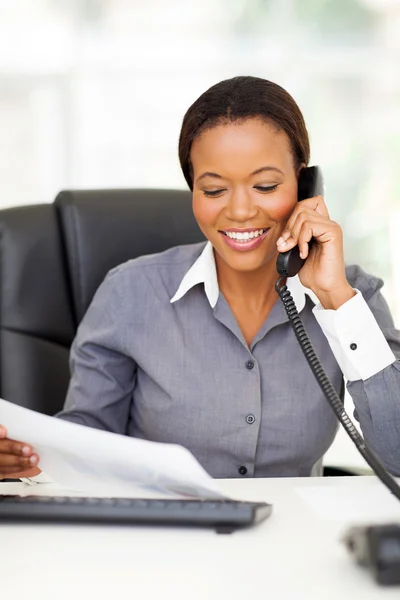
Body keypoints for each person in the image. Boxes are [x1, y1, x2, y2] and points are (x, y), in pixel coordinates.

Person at [1, 75, 399, 483]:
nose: (240, 211)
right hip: (166, 540)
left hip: (299, 541)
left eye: (265, 185)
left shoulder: (352, 298)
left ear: (305, 184)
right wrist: (22, 459)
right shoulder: (130, 293)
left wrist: (335, 300)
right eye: (213, 191)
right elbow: (83, 443)